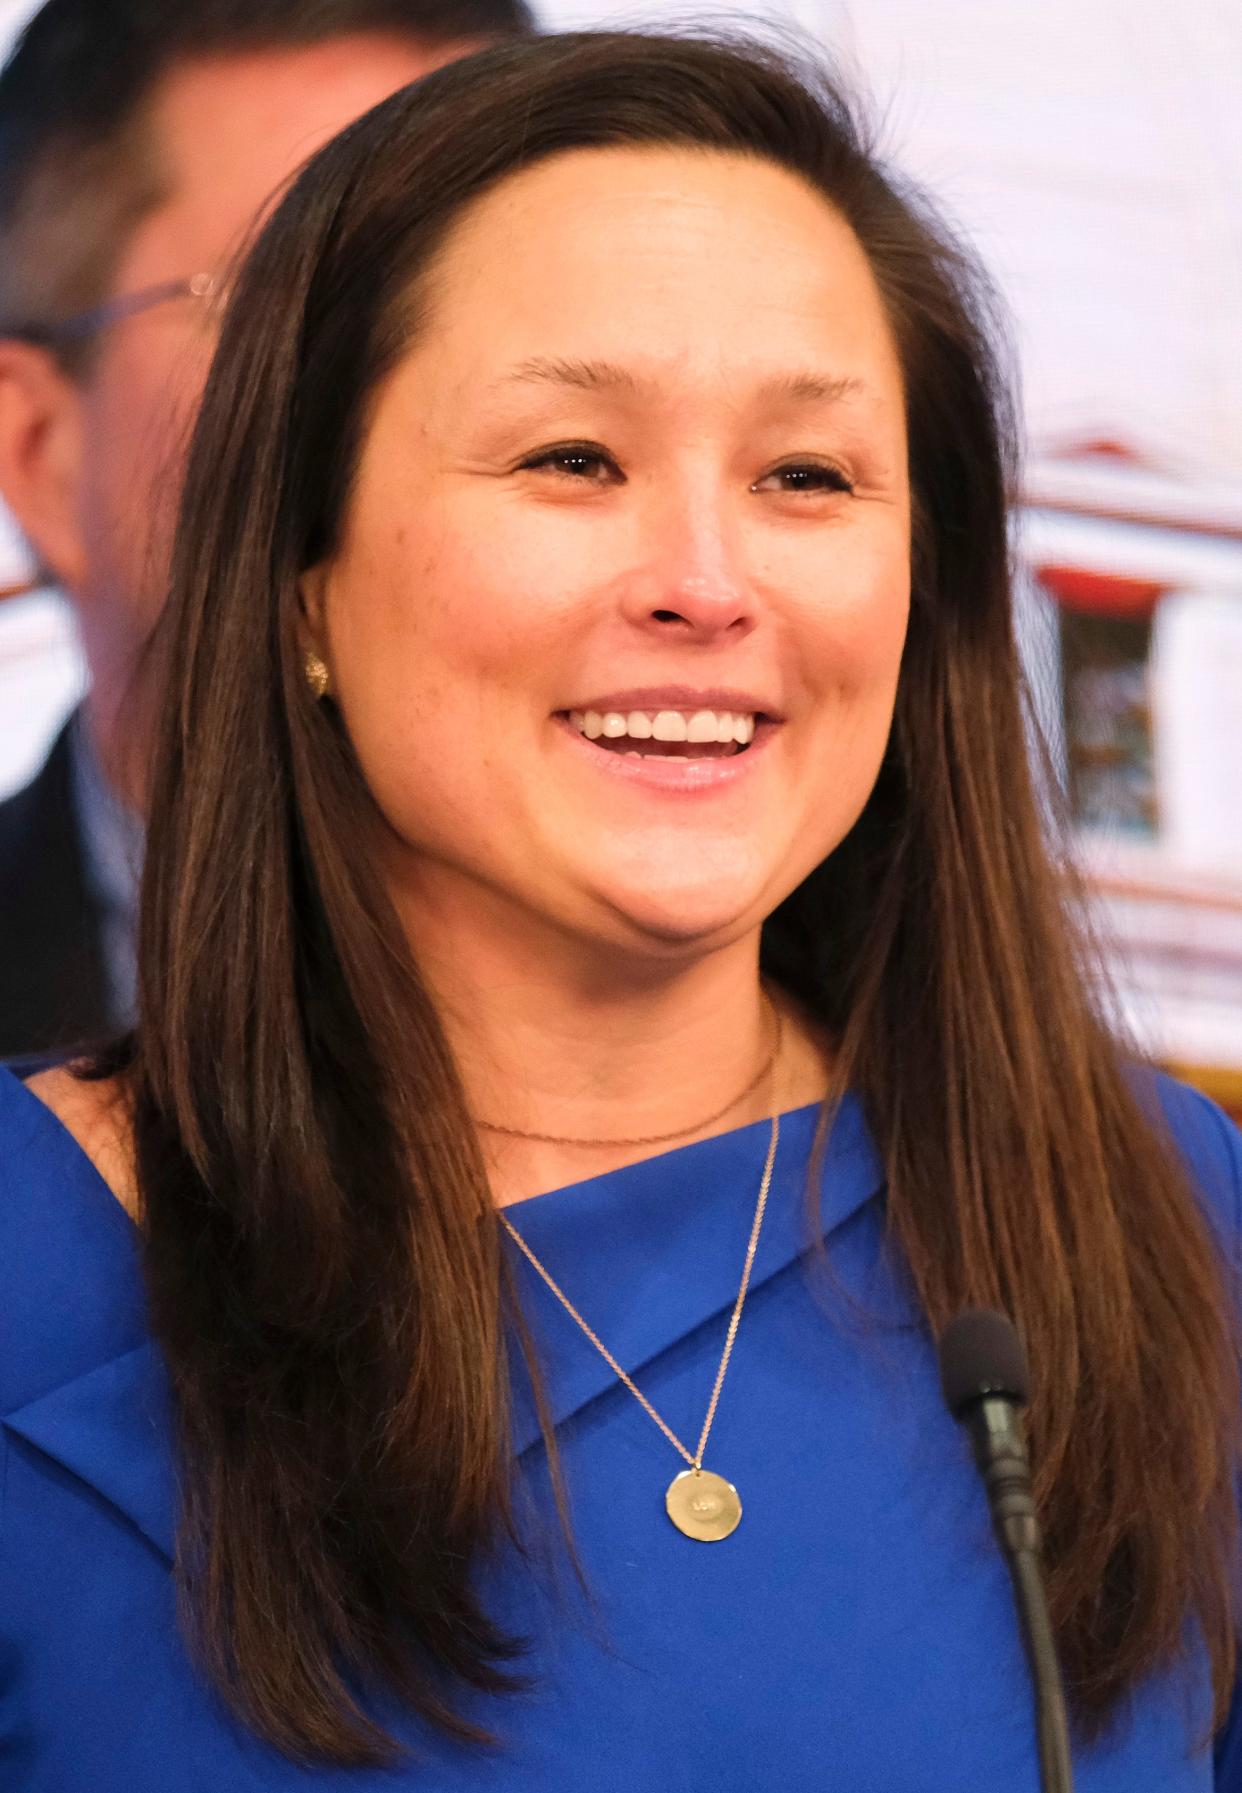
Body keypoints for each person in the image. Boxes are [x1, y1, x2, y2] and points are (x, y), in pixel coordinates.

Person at [2, 28, 1241, 1790]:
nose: (706, 584)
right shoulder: (32, 1266)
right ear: (303, 587)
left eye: (805, 477)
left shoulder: (1163, 1216)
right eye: (572, 458)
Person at [0, 0, 534, 1063]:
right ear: (41, 453)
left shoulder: (882, 1003)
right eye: (303, 295)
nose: (440, 388)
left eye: (506, 290)